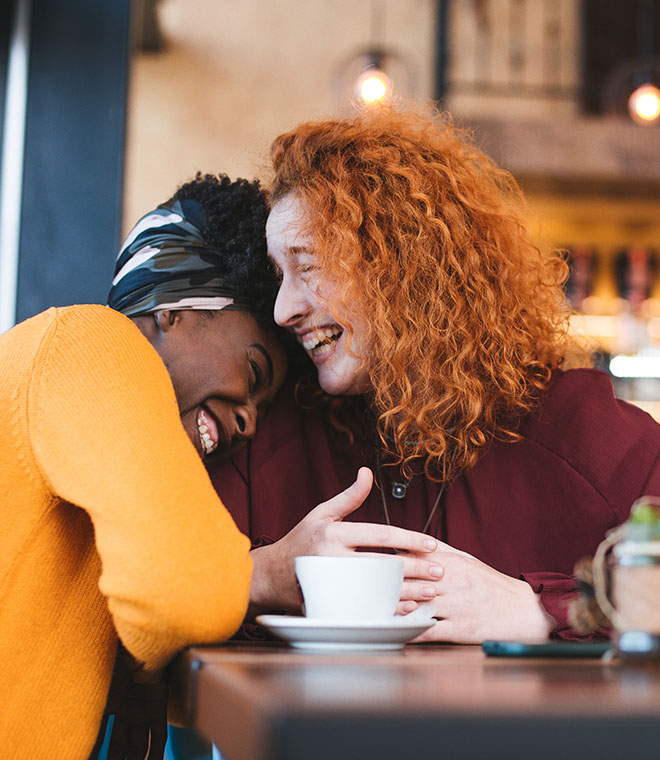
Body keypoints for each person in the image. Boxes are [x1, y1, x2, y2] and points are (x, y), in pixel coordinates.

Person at [207, 106, 660, 642]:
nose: (284, 310)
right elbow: (140, 593)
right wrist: (264, 573)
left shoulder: (581, 431)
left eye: (309, 267)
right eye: (281, 275)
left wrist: (543, 611)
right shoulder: (269, 433)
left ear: (401, 267)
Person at [0, 173, 287, 759]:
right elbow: (184, 596)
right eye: (254, 374)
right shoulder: (94, 341)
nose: (250, 422)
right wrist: (269, 575)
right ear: (176, 308)